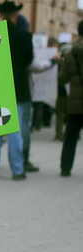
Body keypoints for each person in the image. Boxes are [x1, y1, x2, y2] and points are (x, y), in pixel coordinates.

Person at [0, 0, 33, 180]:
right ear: (16, 14)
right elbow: (29, 60)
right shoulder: (24, 35)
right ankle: (18, 170)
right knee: (15, 132)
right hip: (18, 87)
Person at [58, 20, 83, 177]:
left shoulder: (70, 53)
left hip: (75, 104)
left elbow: (63, 79)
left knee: (70, 137)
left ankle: (65, 168)